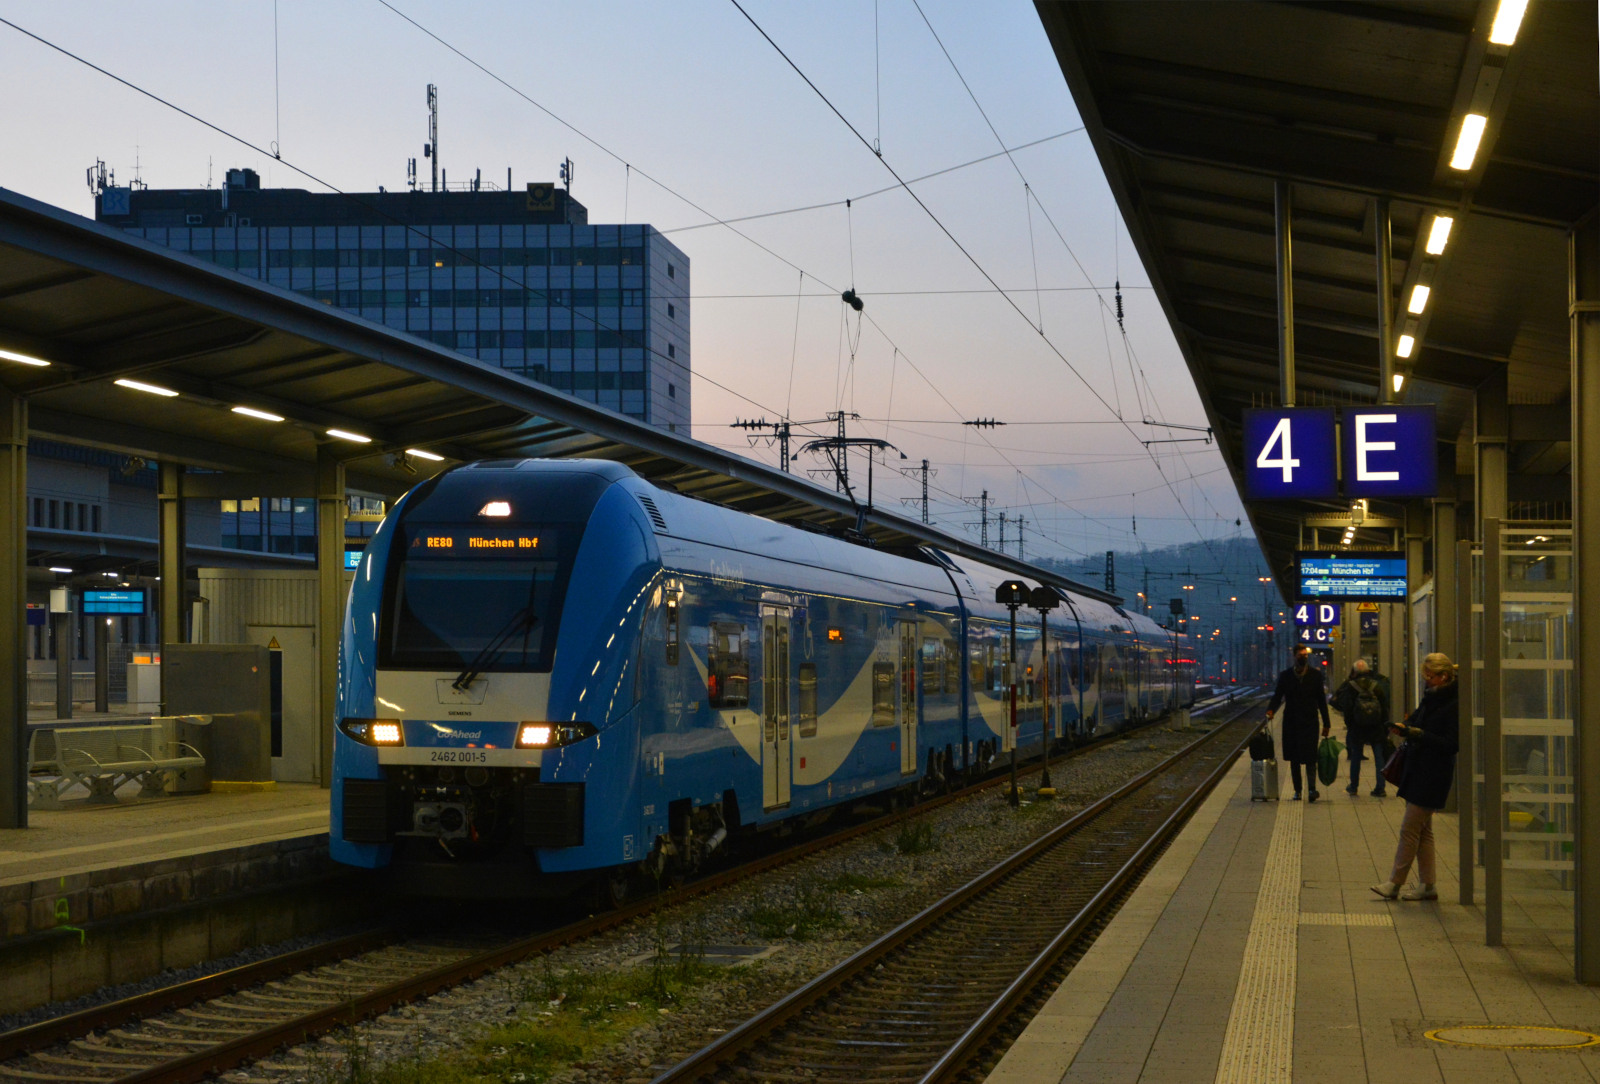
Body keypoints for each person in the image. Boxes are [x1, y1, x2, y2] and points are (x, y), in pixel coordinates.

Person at [1372, 653, 1460, 901]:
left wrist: (1419, 734)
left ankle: (1394, 883)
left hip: (1433, 774)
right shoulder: (1431, 698)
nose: (1426, 681)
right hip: (1419, 769)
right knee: (1423, 831)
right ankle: (1428, 885)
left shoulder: (1454, 704)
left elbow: (1451, 744)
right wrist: (1404, 727)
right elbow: (1418, 721)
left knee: (1409, 830)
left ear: (1443, 676)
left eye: (1429, 677)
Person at [1266, 645, 1331, 801]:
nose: (1303, 657)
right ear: (1294, 656)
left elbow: (1322, 701)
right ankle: (1298, 790)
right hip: (1291, 722)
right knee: (1294, 758)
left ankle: (1312, 790)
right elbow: (1277, 696)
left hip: (1310, 722)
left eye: (1305, 655)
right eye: (1300, 655)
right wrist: (1271, 710)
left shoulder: (1315, 676)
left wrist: (1326, 724)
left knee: (1310, 757)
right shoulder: (1286, 676)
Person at [1331, 658, 1391, 797]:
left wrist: (1350, 725)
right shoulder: (1376, 686)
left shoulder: (1351, 686)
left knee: (1356, 756)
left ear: (1355, 672)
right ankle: (1380, 788)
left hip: (1357, 728)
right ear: (1368, 671)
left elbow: (1347, 708)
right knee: (1379, 757)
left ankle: (1353, 787)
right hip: (1375, 727)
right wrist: (1384, 726)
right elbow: (1384, 708)